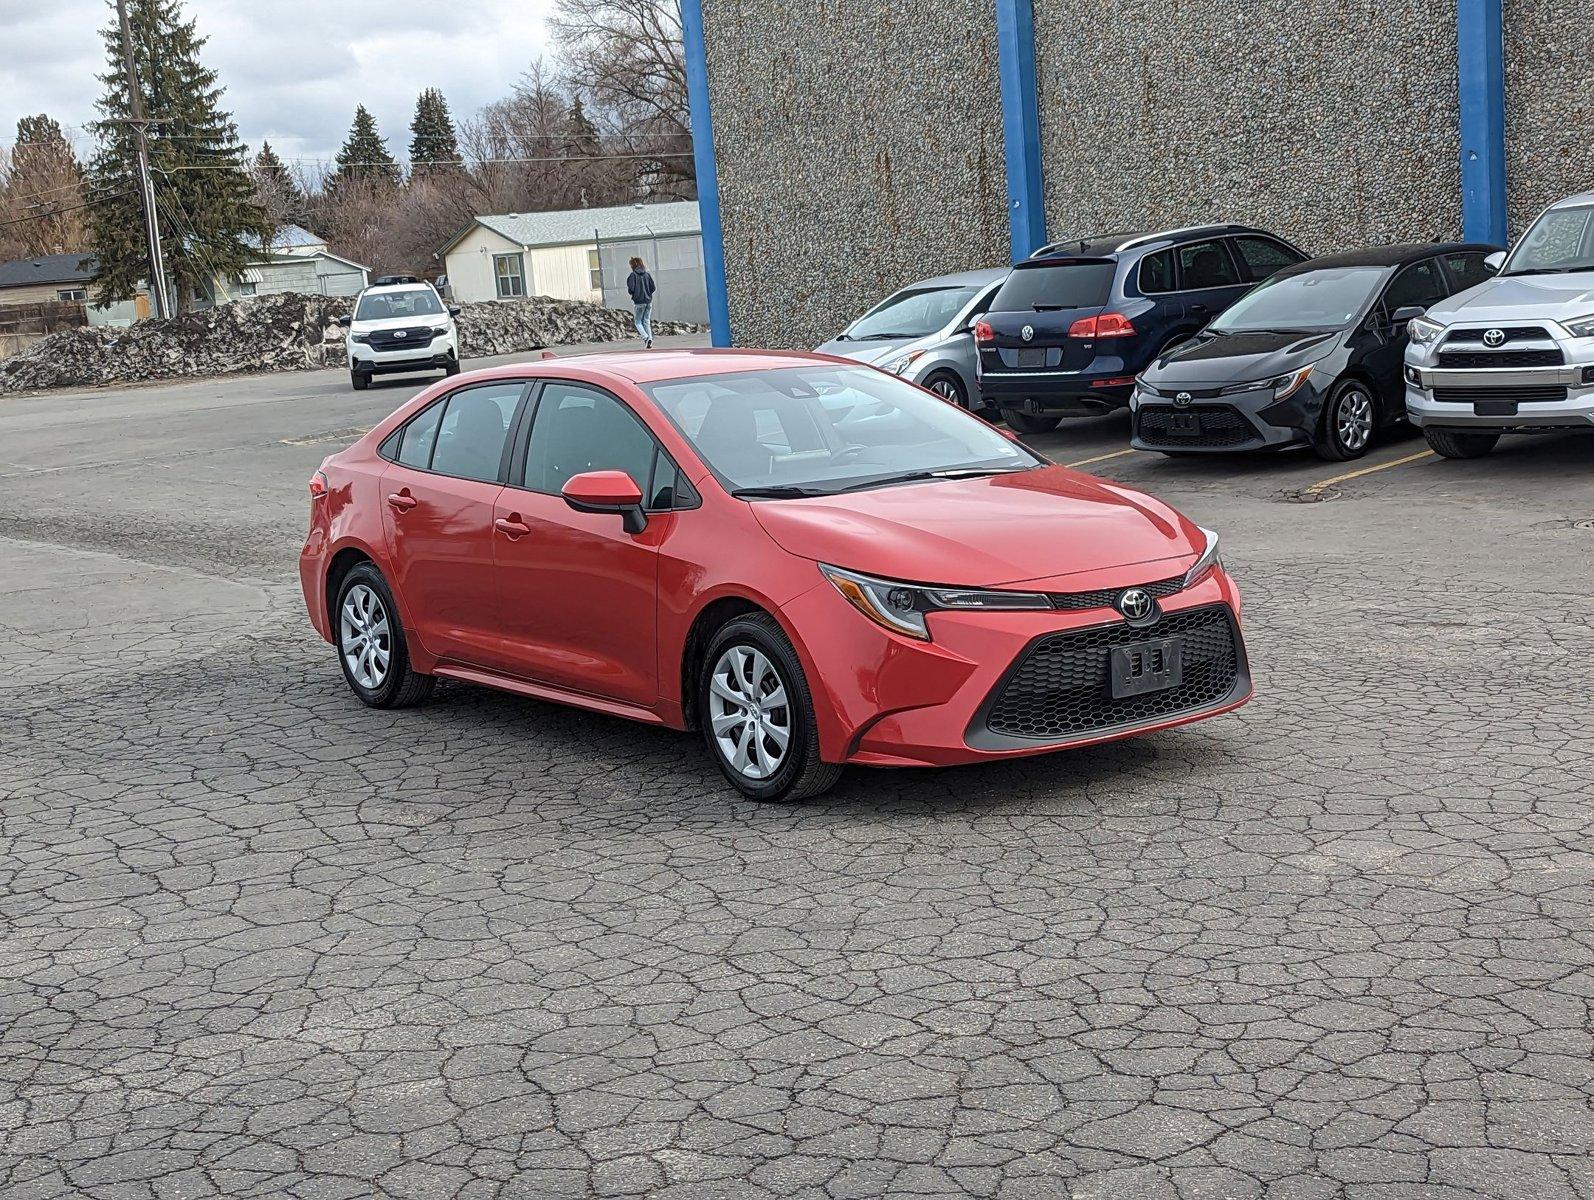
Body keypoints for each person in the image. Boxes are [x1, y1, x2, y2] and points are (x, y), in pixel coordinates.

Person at [626, 256, 657, 349]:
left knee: (638, 322)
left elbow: (631, 288)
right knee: (646, 321)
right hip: (648, 301)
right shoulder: (647, 275)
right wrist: (648, 294)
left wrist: (634, 294)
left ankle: (646, 337)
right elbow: (653, 288)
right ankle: (649, 339)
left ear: (633, 265)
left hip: (639, 302)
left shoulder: (633, 275)